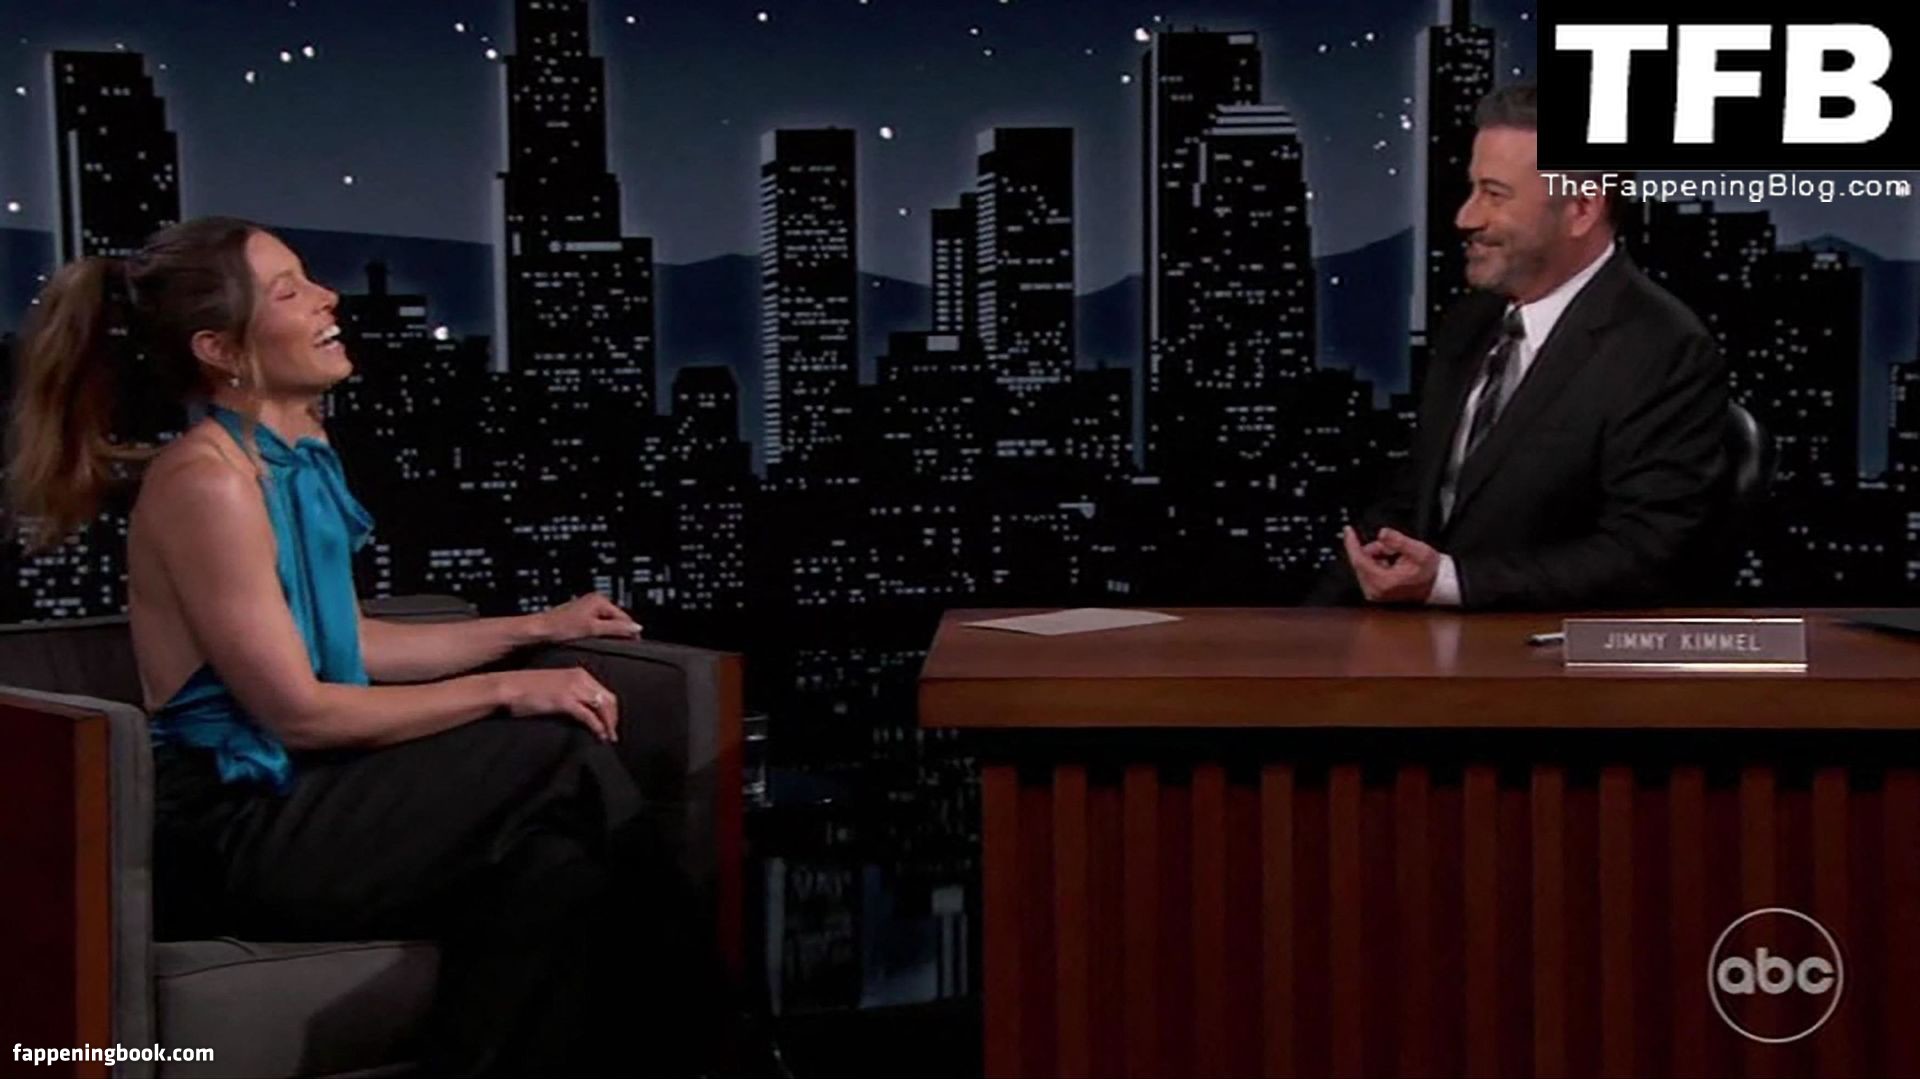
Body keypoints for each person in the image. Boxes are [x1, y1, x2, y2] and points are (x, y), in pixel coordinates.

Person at [3, 216, 732, 1075]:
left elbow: (345, 643)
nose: (328, 299)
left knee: (555, 871)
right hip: (227, 823)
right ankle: (729, 1048)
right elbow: (300, 712)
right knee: (557, 758)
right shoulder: (207, 483)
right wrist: (508, 688)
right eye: (290, 290)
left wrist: (535, 627)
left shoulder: (297, 455)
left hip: (309, 791)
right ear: (220, 348)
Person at [1313, 82, 1730, 610]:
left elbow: (1644, 554)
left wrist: (1449, 583)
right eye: (1473, 189)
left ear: (1581, 209)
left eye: (1495, 194)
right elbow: (1413, 501)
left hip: (1546, 653)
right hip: (1420, 642)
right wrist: (1313, 627)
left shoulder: (1663, 349)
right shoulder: (1471, 323)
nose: (1466, 217)